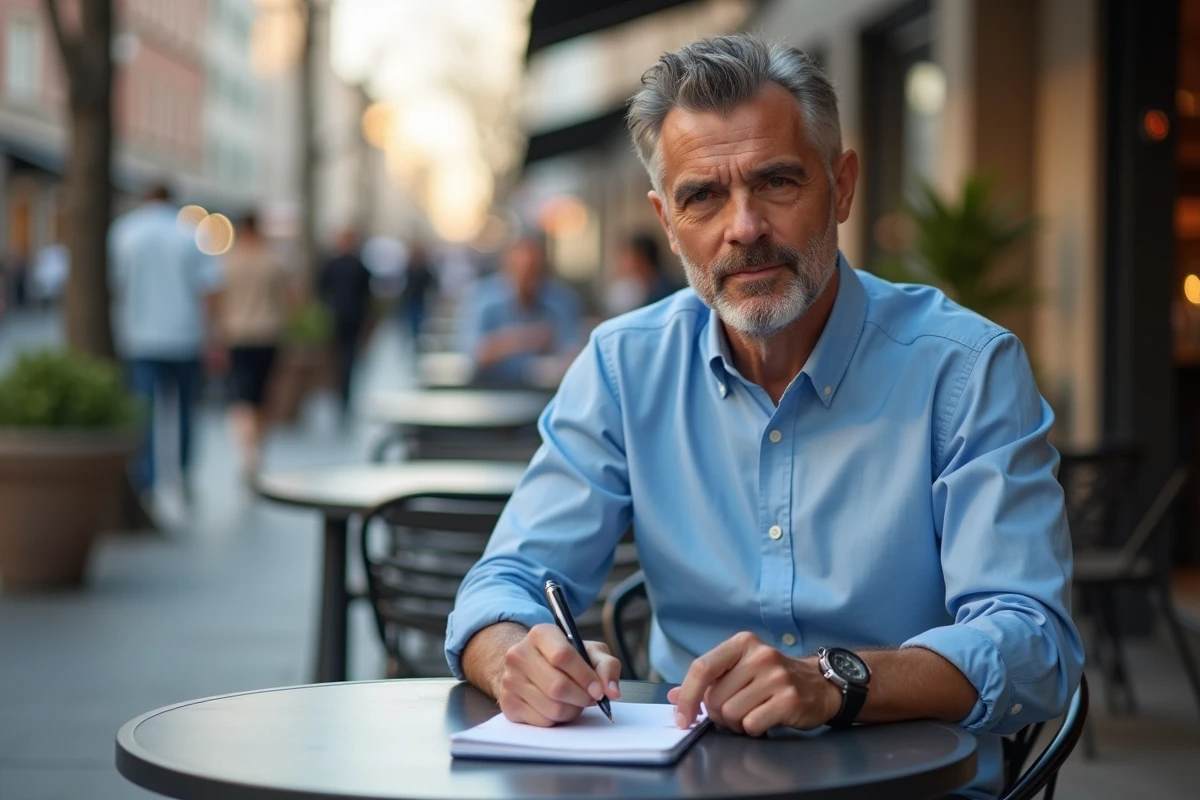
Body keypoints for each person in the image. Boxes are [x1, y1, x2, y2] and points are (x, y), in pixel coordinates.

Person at [446, 34, 1082, 800]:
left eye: (777, 182)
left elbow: (1034, 644)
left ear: (841, 187)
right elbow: (507, 581)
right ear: (667, 220)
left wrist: (837, 682)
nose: (743, 227)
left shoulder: (966, 369)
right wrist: (516, 659)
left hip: (912, 787)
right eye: (702, 197)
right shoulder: (622, 367)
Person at [110, 183, 222, 502]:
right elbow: (208, 290)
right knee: (186, 410)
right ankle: (183, 472)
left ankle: (147, 480)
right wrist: (214, 337)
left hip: (139, 337)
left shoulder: (124, 231)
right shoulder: (190, 233)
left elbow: (117, 286)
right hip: (185, 336)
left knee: (144, 412)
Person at [212, 213, 294, 478]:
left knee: (241, 394)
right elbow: (290, 299)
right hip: (268, 333)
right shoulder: (273, 261)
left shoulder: (227, 262)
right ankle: (257, 447)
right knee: (262, 393)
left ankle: (247, 451)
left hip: (236, 334)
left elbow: (216, 300)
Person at [458, 236, 582, 386]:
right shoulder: (482, 297)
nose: (526, 278)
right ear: (505, 268)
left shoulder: (561, 300)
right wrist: (519, 339)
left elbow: (573, 353)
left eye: (533, 271)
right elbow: (470, 355)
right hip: (491, 388)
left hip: (545, 391)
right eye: (519, 269)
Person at [317, 228, 373, 418]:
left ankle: (340, 392)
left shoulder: (335, 264)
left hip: (340, 316)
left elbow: (321, 289)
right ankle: (341, 393)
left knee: (340, 357)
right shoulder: (356, 264)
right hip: (348, 317)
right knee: (345, 357)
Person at [602, 232, 679, 316]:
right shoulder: (636, 293)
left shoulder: (669, 296)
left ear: (642, 260)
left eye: (626, 259)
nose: (621, 266)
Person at [399, 243, 437, 348]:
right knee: (410, 322)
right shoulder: (410, 269)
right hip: (410, 300)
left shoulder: (424, 271)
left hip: (419, 300)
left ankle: (416, 340)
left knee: (417, 322)